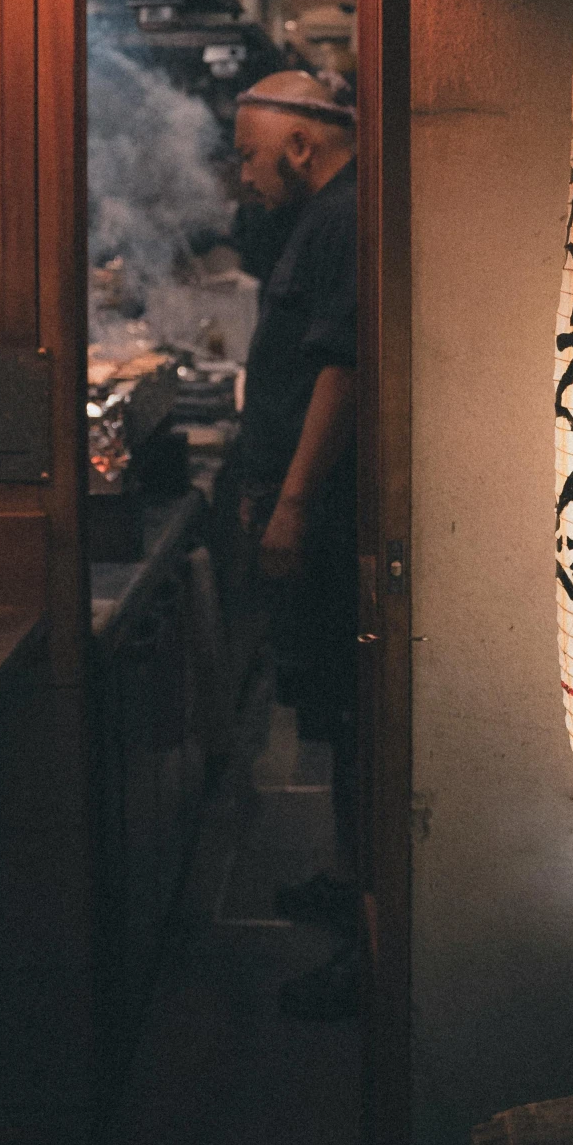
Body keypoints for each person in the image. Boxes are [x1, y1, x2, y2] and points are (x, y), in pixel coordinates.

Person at [232, 70, 360, 1021]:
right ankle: (348, 877)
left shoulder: (344, 217)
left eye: (248, 153)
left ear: (301, 146)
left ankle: (367, 942)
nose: (241, 173)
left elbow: (341, 369)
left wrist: (292, 504)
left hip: (330, 517)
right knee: (336, 714)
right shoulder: (316, 218)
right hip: (305, 507)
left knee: (357, 719)